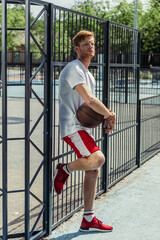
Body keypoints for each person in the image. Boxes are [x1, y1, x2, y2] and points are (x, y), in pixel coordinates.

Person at [54, 30, 116, 232]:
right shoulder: (74, 69)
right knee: (98, 158)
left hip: (80, 127)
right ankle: (65, 169)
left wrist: (105, 115)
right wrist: (108, 114)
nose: (90, 47)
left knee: (93, 168)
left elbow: (88, 106)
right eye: (85, 44)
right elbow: (90, 100)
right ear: (76, 49)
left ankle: (88, 219)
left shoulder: (87, 73)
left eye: (92, 44)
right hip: (71, 126)